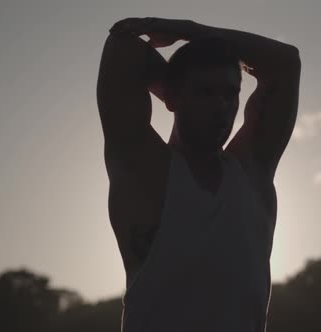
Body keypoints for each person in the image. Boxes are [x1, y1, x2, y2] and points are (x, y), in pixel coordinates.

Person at [96, 17, 301, 332]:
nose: (221, 106)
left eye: (230, 94)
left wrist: (192, 32)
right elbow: (122, 47)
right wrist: (177, 85)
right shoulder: (144, 170)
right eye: (205, 92)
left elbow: (287, 63)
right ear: (171, 97)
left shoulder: (252, 171)